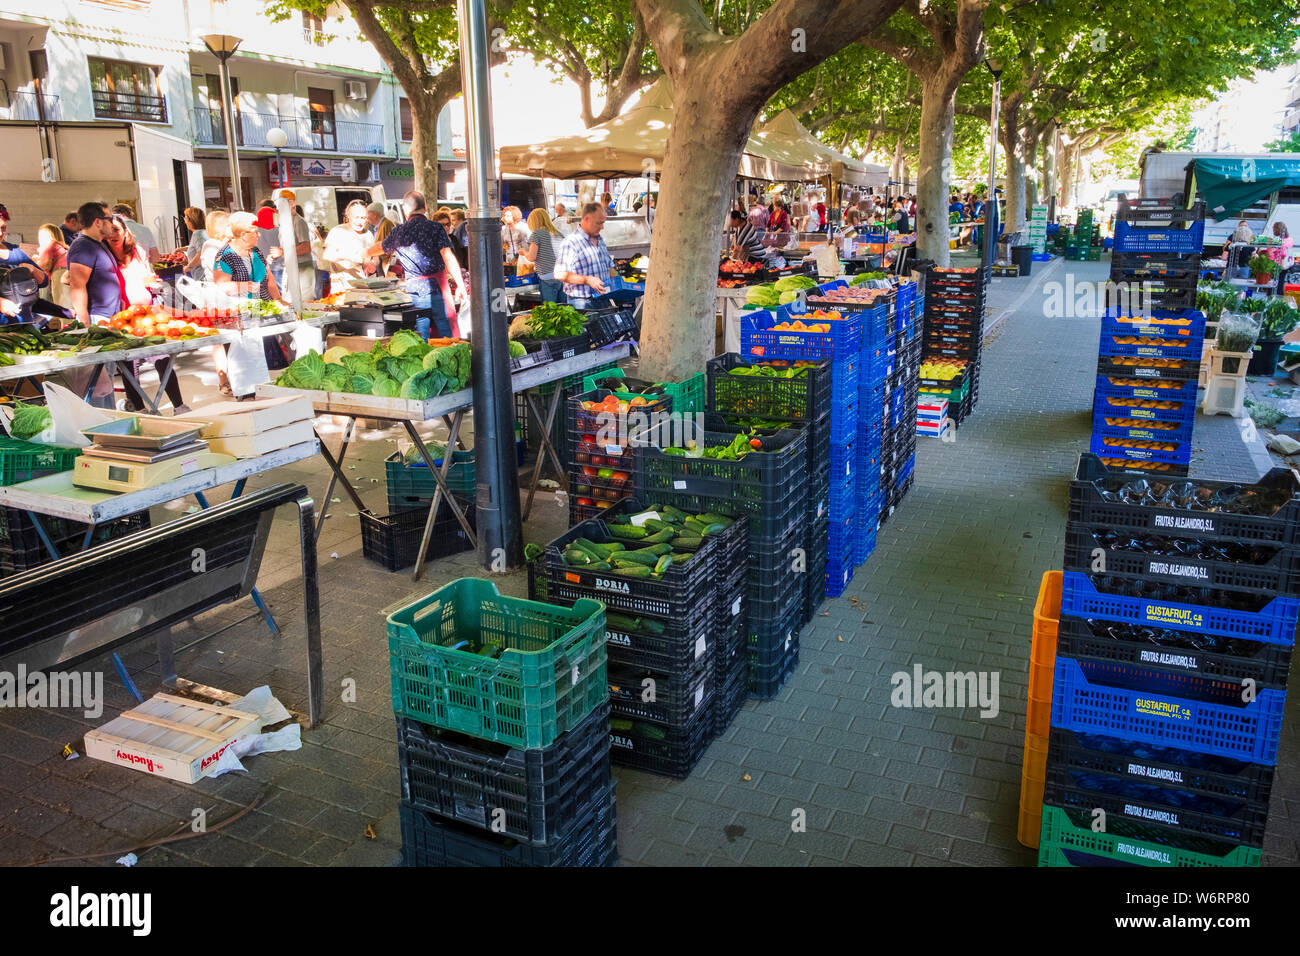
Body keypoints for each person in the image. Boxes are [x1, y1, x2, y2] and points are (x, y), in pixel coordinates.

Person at [106, 214, 187, 413]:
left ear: (126, 232)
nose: (113, 235)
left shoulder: (138, 251)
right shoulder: (103, 255)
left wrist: (151, 282)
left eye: (117, 230)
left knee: (162, 358)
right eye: (109, 232)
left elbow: (145, 276)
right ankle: (140, 408)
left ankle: (179, 405)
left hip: (147, 313)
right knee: (128, 365)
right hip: (121, 316)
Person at [369, 190, 461, 339]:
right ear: (425, 208)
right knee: (447, 338)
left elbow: (381, 247)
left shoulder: (398, 231)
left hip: (415, 293)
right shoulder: (435, 228)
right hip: (438, 289)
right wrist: (460, 286)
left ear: (406, 210)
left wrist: (364, 253)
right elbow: (448, 256)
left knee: (419, 340)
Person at [213, 211, 291, 376]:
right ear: (243, 235)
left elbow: (269, 278)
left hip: (262, 311)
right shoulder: (225, 256)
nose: (259, 234)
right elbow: (222, 286)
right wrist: (247, 286)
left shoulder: (256, 252)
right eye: (255, 231)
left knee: (272, 359)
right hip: (240, 315)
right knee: (253, 363)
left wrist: (279, 299)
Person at [66, 201, 122, 329]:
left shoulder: (98, 244)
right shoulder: (83, 246)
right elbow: (77, 286)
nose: (112, 225)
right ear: (97, 222)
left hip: (109, 317)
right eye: (109, 219)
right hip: (96, 319)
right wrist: (85, 323)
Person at [555, 201, 614, 310]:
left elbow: (609, 267)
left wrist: (622, 284)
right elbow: (559, 274)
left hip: (604, 298)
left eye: (603, 223)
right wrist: (587, 280)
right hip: (581, 302)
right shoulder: (570, 242)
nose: (602, 227)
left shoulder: (600, 240)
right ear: (586, 219)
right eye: (598, 223)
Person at [0, 204, 51, 324]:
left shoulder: (15, 252)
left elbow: (44, 282)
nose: (0, 233)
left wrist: (33, 270)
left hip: (23, 325)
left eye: (3, 228)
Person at [324, 199, 376, 294]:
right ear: (348, 216)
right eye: (356, 217)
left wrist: (372, 264)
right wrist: (350, 257)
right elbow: (327, 255)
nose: (360, 222)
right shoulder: (338, 231)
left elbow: (374, 259)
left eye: (363, 218)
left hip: (361, 286)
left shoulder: (368, 235)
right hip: (340, 287)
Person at [523, 208, 565, 304]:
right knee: (563, 310)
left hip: (547, 278)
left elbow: (531, 257)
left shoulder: (536, 234)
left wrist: (524, 252)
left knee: (549, 312)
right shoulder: (559, 233)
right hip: (563, 277)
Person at [35, 222, 69, 309]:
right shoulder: (62, 247)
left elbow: (46, 266)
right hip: (68, 273)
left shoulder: (49, 245)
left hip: (59, 273)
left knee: (61, 306)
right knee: (67, 304)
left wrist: (35, 263)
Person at [365, 201, 395, 276]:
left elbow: (386, 248)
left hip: (384, 267)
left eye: (367, 213)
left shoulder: (387, 224)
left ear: (375, 214)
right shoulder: (380, 225)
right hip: (379, 265)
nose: (366, 217)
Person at [182, 206, 208, 279]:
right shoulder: (202, 232)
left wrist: (188, 267)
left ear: (191, 220)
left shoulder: (198, 234)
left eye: (185, 218)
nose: (185, 221)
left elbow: (201, 254)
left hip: (201, 276)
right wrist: (182, 249)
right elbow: (198, 246)